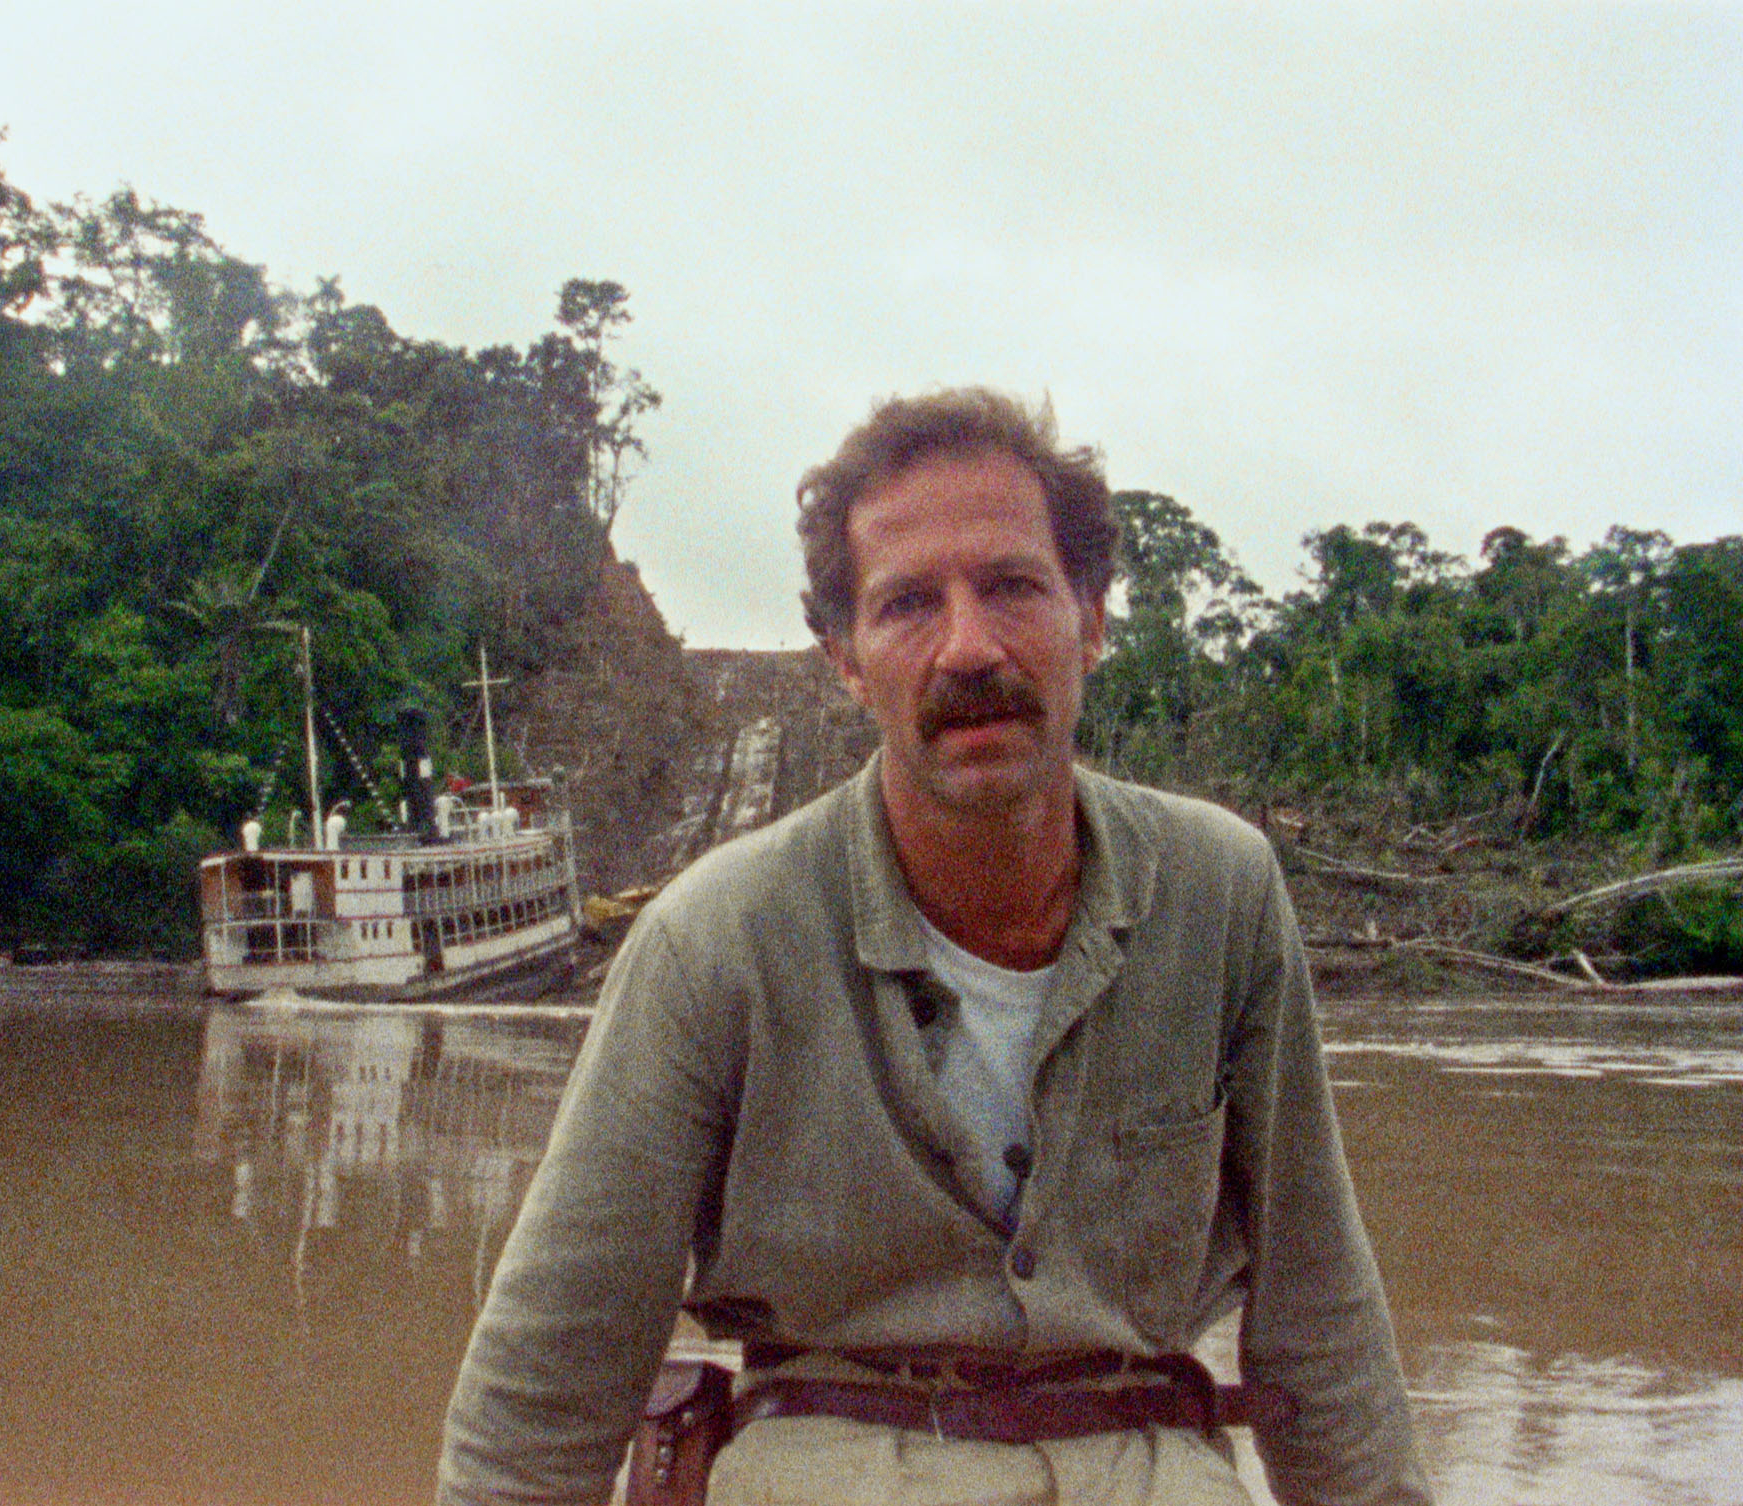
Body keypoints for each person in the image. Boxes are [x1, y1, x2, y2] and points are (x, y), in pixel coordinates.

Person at [438, 388, 1432, 1506]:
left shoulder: (1220, 893)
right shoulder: (715, 938)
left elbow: (1320, 1315)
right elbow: (554, 1363)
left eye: (1011, 586)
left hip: (1149, 1465)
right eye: (909, 603)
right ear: (845, 659)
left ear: (1090, 617)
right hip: (829, 1462)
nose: (968, 646)